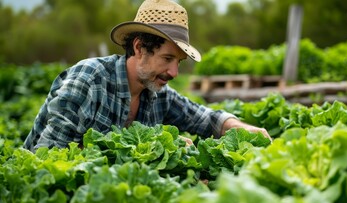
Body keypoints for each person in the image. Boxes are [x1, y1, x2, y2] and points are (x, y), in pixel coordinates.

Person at [23, 0, 271, 152]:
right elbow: (48, 154)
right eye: (167, 59)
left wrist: (238, 127)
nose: (174, 72)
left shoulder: (156, 92)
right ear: (140, 48)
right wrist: (157, 145)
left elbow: (205, 119)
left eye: (178, 62)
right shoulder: (89, 79)